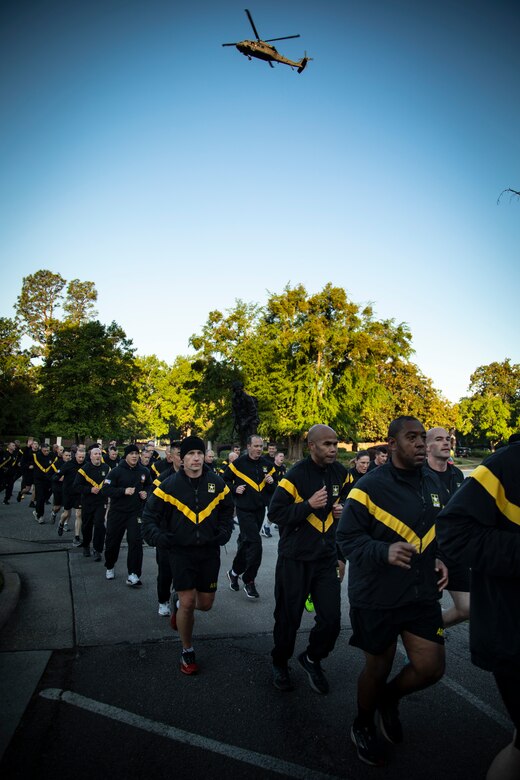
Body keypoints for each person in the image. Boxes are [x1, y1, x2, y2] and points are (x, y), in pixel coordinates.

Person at [337, 416, 448, 767]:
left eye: (422, 437)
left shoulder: (433, 482)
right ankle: (362, 723)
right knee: (378, 667)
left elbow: (434, 530)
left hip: (421, 593)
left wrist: (440, 558)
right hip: (376, 595)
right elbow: (346, 540)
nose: (420, 443)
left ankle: (389, 699)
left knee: (431, 668)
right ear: (391, 444)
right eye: (411, 437)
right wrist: (382, 551)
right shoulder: (367, 488)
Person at [437, 442, 520, 780]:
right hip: (514, 631)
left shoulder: (456, 474)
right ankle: (427, 630)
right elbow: (454, 531)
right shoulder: (508, 463)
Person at [142, 436, 234, 675]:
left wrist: (224, 531)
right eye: (191, 454)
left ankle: (176, 605)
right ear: (180, 458)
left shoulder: (217, 483)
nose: (196, 458)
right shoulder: (168, 485)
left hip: (209, 552)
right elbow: (149, 518)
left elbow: (227, 509)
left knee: (205, 604)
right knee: (188, 602)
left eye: (199, 453)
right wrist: (160, 537)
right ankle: (187, 650)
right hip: (180, 552)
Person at [269, 425, 349, 694]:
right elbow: (275, 513)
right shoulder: (295, 475)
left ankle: (312, 658)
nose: (333, 448)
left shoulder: (341, 473)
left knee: (332, 620)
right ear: (311, 446)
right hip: (295, 560)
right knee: (288, 619)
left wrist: (342, 510)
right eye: (327, 444)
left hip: (326, 559)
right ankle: (280, 663)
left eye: (335, 443)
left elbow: (351, 503)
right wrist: (308, 506)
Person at [223, 434, 275, 598]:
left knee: (246, 543)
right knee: (256, 544)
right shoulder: (238, 463)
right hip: (244, 510)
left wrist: (272, 483)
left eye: (261, 446)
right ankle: (249, 580)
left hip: (259, 510)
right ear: (249, 446)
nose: (259, 449)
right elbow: (223, 481)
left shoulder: (267, 465)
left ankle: (234, 572)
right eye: (256, 446)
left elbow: (275, 490)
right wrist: (234, 489)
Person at [425, 427, 468, 626]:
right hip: (428, 554)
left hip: (455, 551)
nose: (446, 443)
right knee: (426, 609)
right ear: (426, 447)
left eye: (448, 439)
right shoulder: (419, 476)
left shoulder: (457, 474)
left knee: (467, 608)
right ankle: (419, 643)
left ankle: (421, 636)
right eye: (439, 439)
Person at [101, 444, 152, 585]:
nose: (134, 456)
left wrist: (146, 493)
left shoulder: (144, 471)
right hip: (117, 512)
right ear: (126, 456)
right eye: (131, 454)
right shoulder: (116, 471)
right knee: (112, 542)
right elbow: (105, 489)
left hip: (135, 512)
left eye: (136, 453)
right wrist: (123, 491)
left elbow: (150, 485)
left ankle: (133, 574)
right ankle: (110, 566)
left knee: (135, 542)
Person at [74, 446, 108, 561]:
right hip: (87, 502)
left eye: (99, 454)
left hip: (101, 502)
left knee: (99, 524)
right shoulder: (83, 470)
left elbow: (111, 482)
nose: (98, 456)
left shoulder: (106, 468)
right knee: (87, 525)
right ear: (91, 456)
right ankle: (86, 545)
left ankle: (98, 549)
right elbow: (76, 486)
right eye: (95, 454)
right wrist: (89, 490)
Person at [32, 443, 58, 524]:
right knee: (40, 497)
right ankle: (40, 516)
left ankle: (36, 511)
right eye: (44, 451)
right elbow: (43, 467)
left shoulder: (52, 455)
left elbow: (55, 462)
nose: (46, 452)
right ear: (41, 449)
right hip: (39, 479)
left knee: (46, 497)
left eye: (47, 450)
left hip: (48, 479)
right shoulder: (37, 455)